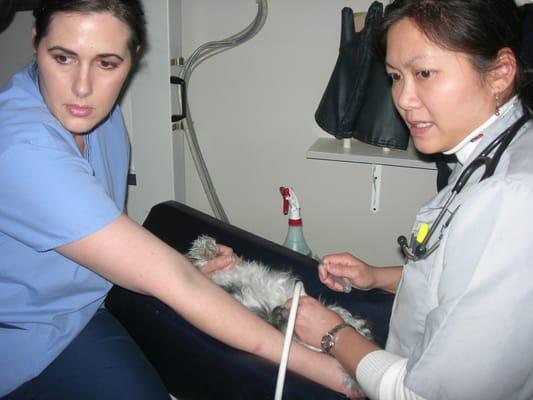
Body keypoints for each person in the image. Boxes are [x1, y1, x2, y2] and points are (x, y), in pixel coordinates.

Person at [0, 1, 357, 398]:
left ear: (132, 58)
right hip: (20, 337)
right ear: (36, 43)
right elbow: (176, 282)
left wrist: (173, 269)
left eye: (106, 63)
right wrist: (330, 369)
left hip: (82, 311)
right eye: (63, 58)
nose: (82, 87)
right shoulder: (23, 149)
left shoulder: (102, 118)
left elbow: (100, 229)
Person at [287, 0, 533, 399]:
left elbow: (421, 395)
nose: (403, 98)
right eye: (395, 76)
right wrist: (377, 277)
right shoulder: (487, 155)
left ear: (501, 73)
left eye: (424, 73)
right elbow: (467, 282)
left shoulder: (511, 199)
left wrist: (332, 334)